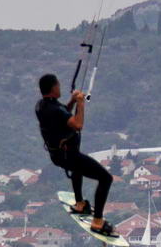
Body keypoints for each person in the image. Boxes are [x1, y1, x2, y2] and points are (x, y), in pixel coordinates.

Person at [35, 73, 116, 236]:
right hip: (68, 156)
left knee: (77, 168)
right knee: (106, 178)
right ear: (53, 88)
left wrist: (72, 101)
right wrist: (80, 103)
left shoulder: (42, 105)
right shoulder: (55, 109)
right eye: (58, 85)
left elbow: (63, 113)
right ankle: (98, 222)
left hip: (58, 155)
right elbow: (77, 124)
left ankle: (80, 204)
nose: (60, 87)